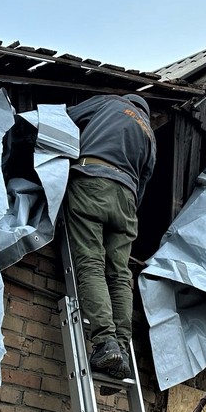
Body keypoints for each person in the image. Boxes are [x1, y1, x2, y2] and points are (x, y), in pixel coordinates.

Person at [64, 93, 155, 379]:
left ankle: (105, 343)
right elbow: (144, 182)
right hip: (127, 199)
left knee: (91, 263)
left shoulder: (110, 103)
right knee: (118, 274)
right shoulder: (150, 136)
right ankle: (122, 352)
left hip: (92, 180)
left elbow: (65, 117)